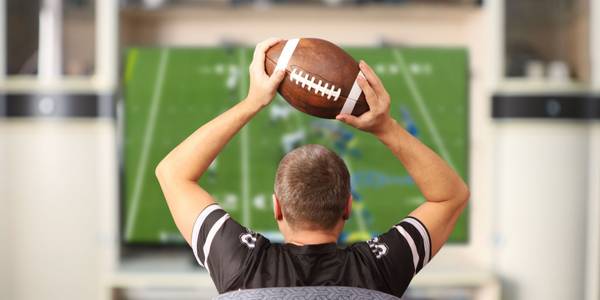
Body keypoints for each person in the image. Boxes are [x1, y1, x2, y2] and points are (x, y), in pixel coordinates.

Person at [155, 38, 469, 298]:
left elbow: (173, 173)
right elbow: (450, 196)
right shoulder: (378, 269)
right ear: (347, 206)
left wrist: (252, 102)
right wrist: (385, 127)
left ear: (277, 207)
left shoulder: (243, 265)